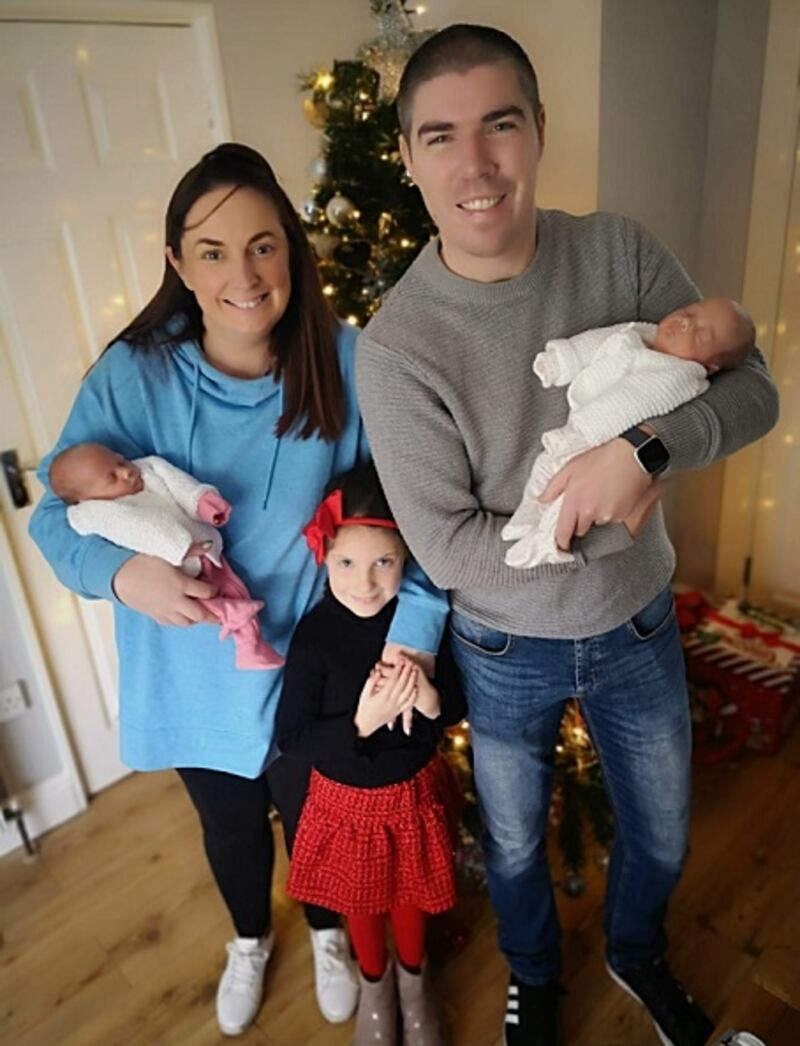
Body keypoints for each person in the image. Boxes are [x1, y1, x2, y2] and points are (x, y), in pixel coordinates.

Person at [355, 24, 779, 1046]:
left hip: (637, 627)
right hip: (499, 651)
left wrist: (639, 455)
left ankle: (635, 951)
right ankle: (533, 973)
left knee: (664, 831)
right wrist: (596, 518)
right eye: (441, 136)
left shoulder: (619, 251)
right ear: (408, 156)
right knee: (507, 844)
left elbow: (753, 388)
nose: (475, 163)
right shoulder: (397, 345)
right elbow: (451, 548)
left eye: (499, 124)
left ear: (537, 129)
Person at [29, 143, 448, 1038]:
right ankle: (250, 939)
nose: (242, 274)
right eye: (211, 251)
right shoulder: (132, 375)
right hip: (190, 678)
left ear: (292, 251)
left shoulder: (346, 362)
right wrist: (120, 574)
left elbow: (423, 522)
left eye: (263, 245)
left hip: (319, 680)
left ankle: (329, 931)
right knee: (230, 833)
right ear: (178, 264)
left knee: (317, 829)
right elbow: (51, 518)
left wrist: (412, 638)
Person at [276, 461, 465, 1046]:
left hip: (409, 793)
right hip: (346, 803)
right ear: (324, 558)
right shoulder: (314, 638)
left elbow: (454, 704)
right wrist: (362, 721)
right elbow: (293, 737)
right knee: (363, 903)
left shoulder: (423, 625)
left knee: (409, 897)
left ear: (405, 559)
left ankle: (414, 986)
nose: (365, 583)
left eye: (383, 562)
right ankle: (376, 989)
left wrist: (431, 699)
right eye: (347, 564)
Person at [504, 298, 755, 567]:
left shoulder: (686, 377)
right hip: (579, 424)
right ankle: (527, 517)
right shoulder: (639, 333)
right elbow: (597, 342)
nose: (686, 323)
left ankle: (546, 545)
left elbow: (752, 397)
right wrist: (561, 361)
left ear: (710, 366)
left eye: (700, 333)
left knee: (568, 500)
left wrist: (636, 449)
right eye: (688, 313)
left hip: (599, 437)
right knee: (543, 469)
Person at [49, 442, 283, 670]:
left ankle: (251, 647)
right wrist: (180, 547)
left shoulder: (146, 469)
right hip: (175, 568)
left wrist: (202, 502)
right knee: (207, 604)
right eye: (112, 477)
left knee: (236, 590)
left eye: (120, 461)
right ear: (87, 497)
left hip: (207, 551)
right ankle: (235, 620)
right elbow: (142, 528)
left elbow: (178, 485)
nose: (126, 472)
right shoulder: (97, 512)